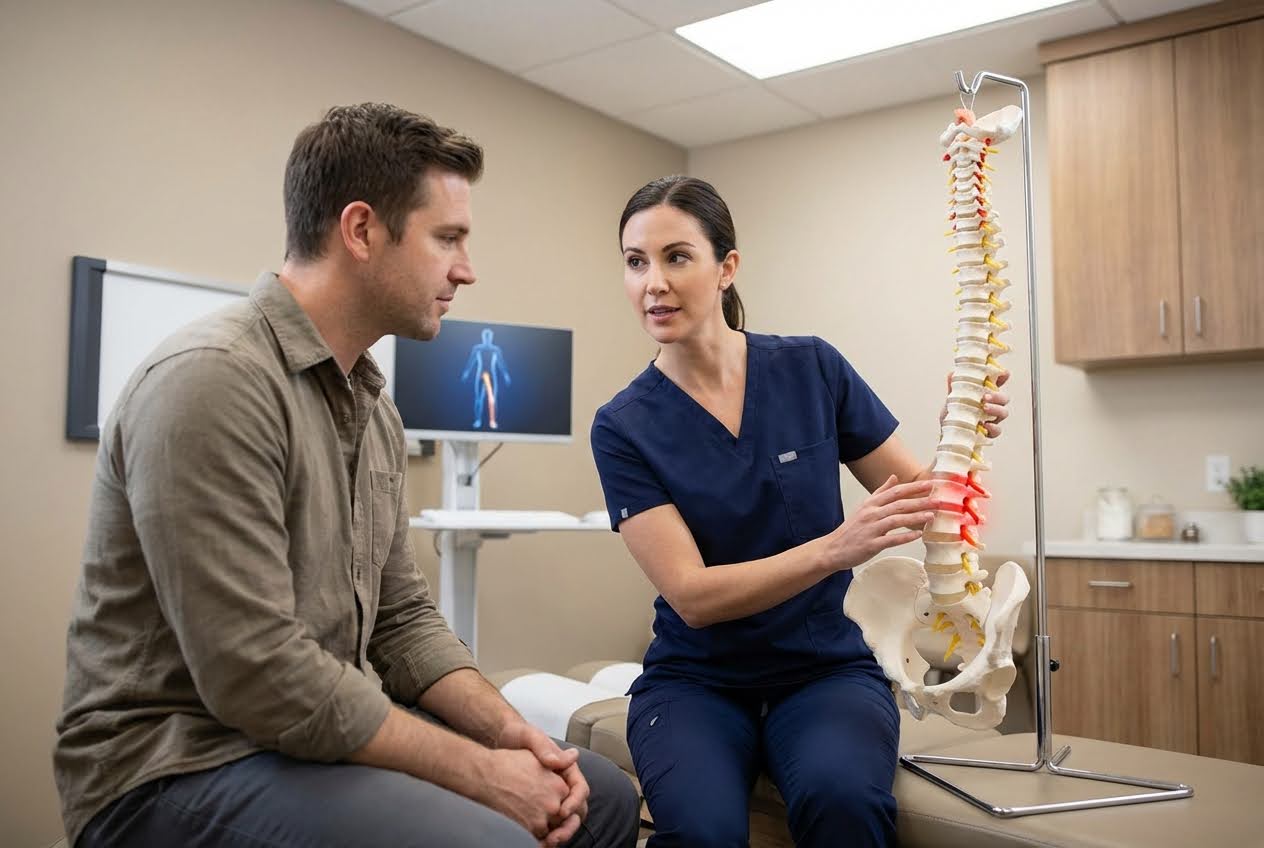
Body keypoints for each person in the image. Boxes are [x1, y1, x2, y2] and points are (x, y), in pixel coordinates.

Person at [54, 103, 639, 848]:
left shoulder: (372, 410)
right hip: (173, 765)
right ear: (361, 230)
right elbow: (259, 675)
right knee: (491, 838)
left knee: (602, 795)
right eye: (448, 238)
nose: (466, 268)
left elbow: (401, 622)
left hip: (303, 740)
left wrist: (522, 742)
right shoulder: (213, 382)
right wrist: (478, 772)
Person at [590, 175, 1010, 847]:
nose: (652, 283)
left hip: (824, 671)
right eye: (635, 261)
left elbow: (925, 504)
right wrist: (838, 548)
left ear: (726, 267)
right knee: (702, 834)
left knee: (844, 806)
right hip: (697, 682)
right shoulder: (622, 426)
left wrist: (964, 430)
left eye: (676, 256)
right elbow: (693, 597)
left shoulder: (812, 368)